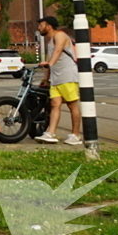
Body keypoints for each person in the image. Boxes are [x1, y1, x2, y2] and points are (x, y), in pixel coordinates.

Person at [34, 16, 82, 145]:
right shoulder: (50, 42)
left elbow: (59, 50)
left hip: (67, 76)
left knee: (72, 105)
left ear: (49, 26)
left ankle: (75, 135)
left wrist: (50, 63)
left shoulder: (60, 35)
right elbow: (51, 58)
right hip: (56, 78)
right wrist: (45, 79)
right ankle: (51, 133)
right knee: (55, 104)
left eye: (41, 25)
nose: (39, 28)